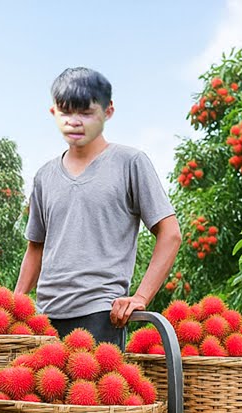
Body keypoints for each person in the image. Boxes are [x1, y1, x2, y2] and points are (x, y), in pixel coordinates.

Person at [14, 67, 182, 347]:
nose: (75, 122)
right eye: (66, 112)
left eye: (86, 112)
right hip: (44, 320)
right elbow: (36, 248)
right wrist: (15, 305)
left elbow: (171, 233)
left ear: (107, 111)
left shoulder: (130, 163)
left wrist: (140, 297)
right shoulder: (44, 176)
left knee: (95, 392)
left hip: (101, 316)